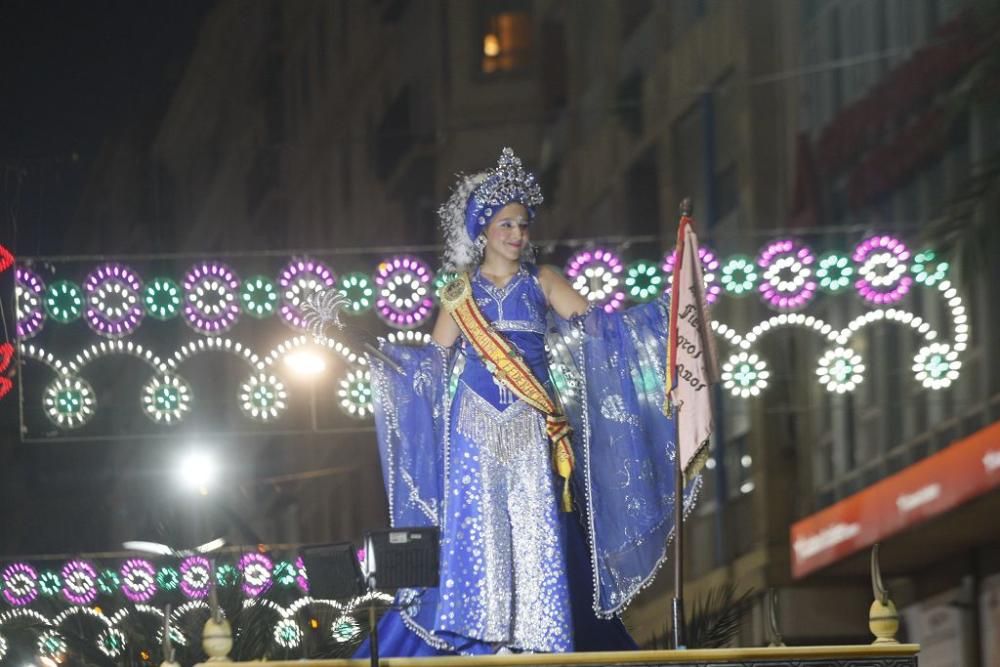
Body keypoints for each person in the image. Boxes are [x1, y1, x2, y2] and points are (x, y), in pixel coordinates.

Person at [361, 148, 700, 655]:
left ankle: (538, 636)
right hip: (472, 424)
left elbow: (599, 329)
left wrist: (660, 316)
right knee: (480, 523)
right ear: (484, 230)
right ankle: (481, 634)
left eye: (523, 224)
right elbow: (434, 363)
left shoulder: (543, 282)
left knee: (533, 519)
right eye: (506, 224)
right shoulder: (458, 292)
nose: (518, 234)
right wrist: (388, 360)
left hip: (530, 420)